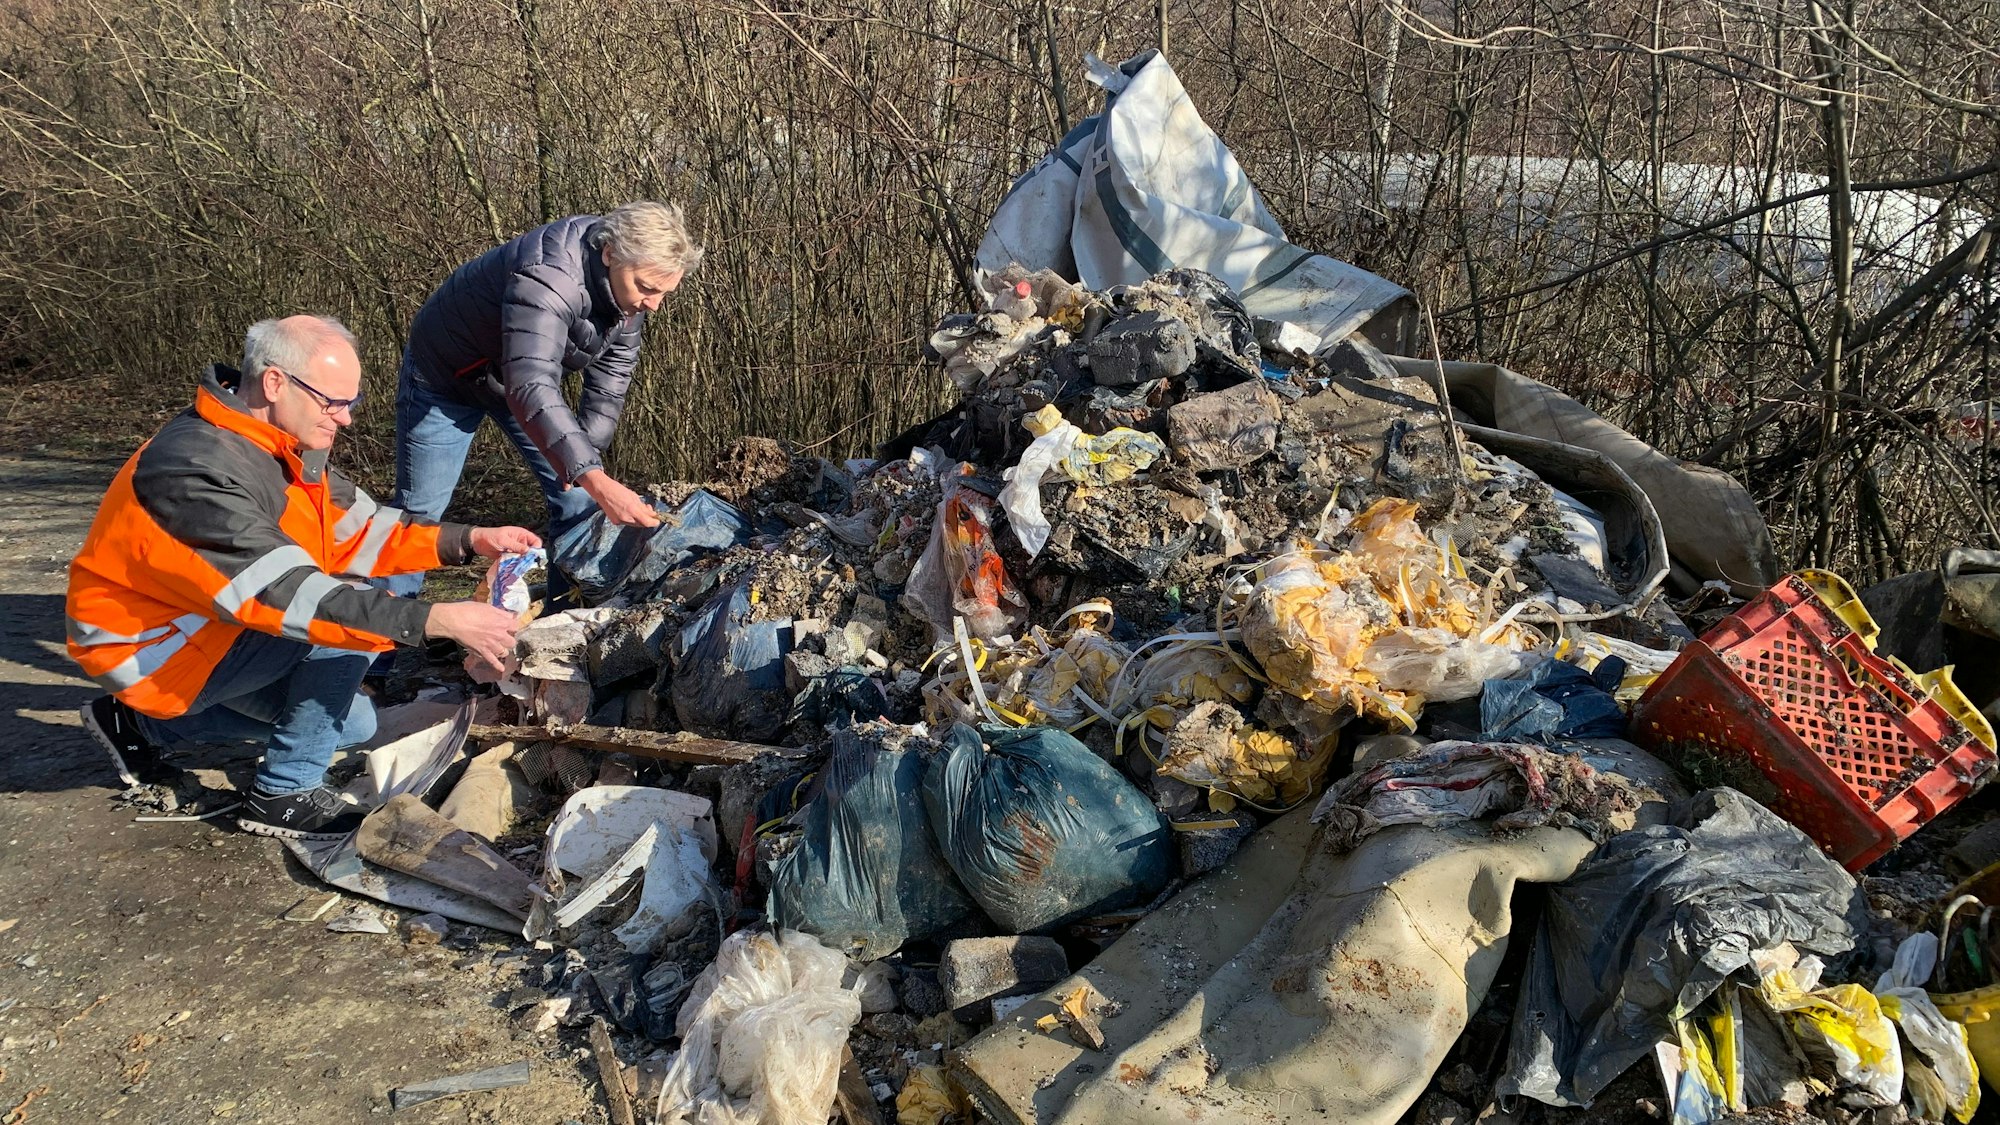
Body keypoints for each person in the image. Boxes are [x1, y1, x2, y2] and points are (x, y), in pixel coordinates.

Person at [66, 315, 539, 839]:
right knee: (353, 623)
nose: (346, 420)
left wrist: (471, 540)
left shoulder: (279, 445)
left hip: (208, 626)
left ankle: (138, 723)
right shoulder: (195, 471)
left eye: (350, 404)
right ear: (275, 383)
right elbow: (287, 596)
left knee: (354, 725)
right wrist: (435, 619)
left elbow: (363, 531)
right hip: (150, 644)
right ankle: (282, 794)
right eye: (333, 403)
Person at [382, 201, 704, 603]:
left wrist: (587, 462)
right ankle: (378, 651)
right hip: (446, 377)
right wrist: (597, 479)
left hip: (511, 382)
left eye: (663, 293)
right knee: (419, 512)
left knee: (577, 498)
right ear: (609, 254)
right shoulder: (550, 273)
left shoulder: (629, 295)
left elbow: (611, 379)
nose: (654, 304)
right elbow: (531, 382)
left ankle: (556, 624)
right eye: (648, 288)